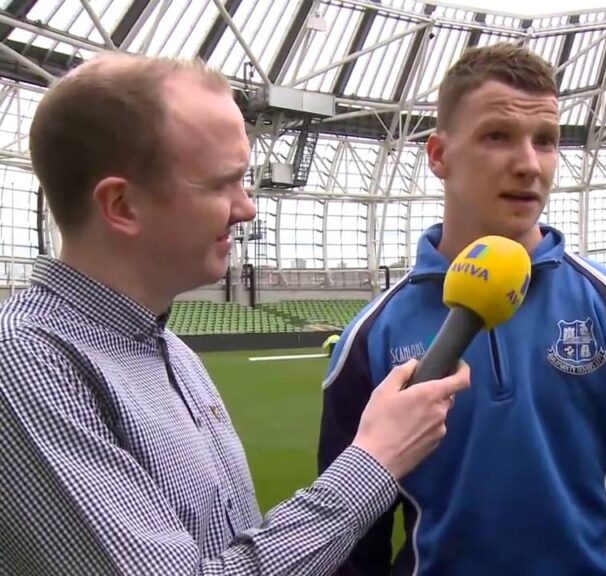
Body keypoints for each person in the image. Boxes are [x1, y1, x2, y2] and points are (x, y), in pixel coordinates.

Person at [0, 53, 469, 575]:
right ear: (122, 206)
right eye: (222, 183)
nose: (247, 208)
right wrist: (375, 459)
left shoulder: (172, 353)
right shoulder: (25, 362)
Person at [319, 43, 606, 576]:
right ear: (439, 155)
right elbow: (351, 546)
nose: (529, 164)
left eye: (547, 141)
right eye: (497, 137)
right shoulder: (371, 337)